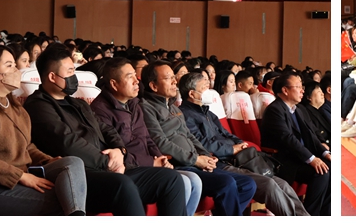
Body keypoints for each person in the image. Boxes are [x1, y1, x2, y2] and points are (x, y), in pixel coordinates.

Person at [24, 47, 188, 215]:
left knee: (171, 179)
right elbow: (67, 142)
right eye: (70, 72)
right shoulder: (38, 105)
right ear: (52, 77)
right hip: (82, 173)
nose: (74, 76)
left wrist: (120, 150)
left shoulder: (78, 104)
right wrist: (108, 162)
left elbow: (106, 129)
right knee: (122, 184)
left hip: (108, 167)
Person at [0, 45, 87, 215]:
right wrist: (21, 176)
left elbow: (27, 147)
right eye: (9, 65)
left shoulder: (17, 108)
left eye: (14, 65)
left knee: (73, 163)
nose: (16, 70)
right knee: (64, 199)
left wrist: (47, 160)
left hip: (25, 174)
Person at [140, 62, 257, 216]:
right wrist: (196, 160)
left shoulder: (173, 107)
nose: (175, 81)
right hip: (178, 164)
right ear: (154, 86)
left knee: (248, 184)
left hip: (195, 161)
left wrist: (206, 156)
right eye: (168, 78)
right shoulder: (146, 107)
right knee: (226, 183)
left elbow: (189, 135)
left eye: (174, 77)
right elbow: (160, 142)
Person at [261, 72, 331, 216]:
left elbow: (311, 135)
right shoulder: (275, 110)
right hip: (285, 160)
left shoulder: (299, 109)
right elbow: (288, 139)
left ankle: (325, 214)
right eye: (298, 87)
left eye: (302, 87)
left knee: (332, 166)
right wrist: (312, 159)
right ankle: (309, 214)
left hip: (301, 157)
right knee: (321, 173)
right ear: (285, 90)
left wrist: (325, 153)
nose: (302, 91)